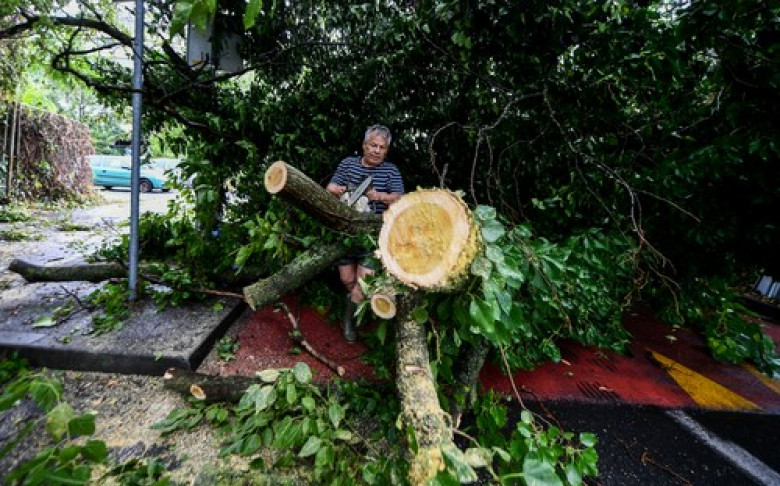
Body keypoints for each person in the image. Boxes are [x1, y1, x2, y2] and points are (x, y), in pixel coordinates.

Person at [326, 124, 404, 342]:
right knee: (347, 279)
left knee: (363, 283)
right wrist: (339, 190)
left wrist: (378, 196)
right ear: (364, 146)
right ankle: (355, 304)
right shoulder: (348, 164)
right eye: (373, 145)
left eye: (382, 147)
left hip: (372, 235)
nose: (377, 150)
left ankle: (349, 324)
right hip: (346, 232)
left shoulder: (390, 171)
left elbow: (400, 197)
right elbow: (329, 189)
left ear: (386, 150)